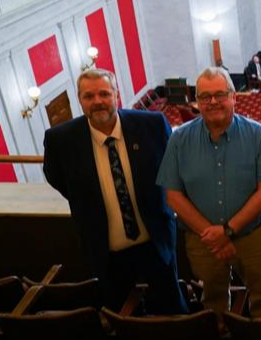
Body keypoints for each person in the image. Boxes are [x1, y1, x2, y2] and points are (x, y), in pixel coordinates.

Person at [43, 68, 188, 315]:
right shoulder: (60, 140)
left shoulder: (151, 125)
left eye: (104, 94)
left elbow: (173, 167)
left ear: (116, 95)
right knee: (121, 313)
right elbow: (57, 179)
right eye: (89, 96)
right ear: (80, 100)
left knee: (172, 305)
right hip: (106, 249)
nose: (97, 101)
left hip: (155, 239)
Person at [157, 67, 261, 322]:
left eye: (220, 94)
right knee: (213, 298)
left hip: (253, 237)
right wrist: (214, 236)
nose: (213, 101)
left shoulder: (258, 134)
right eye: (205, 96)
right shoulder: (179, 139)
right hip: (203, 241)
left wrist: (226, 231)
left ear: (234, 96)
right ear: (196, 101)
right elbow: (173, 196)